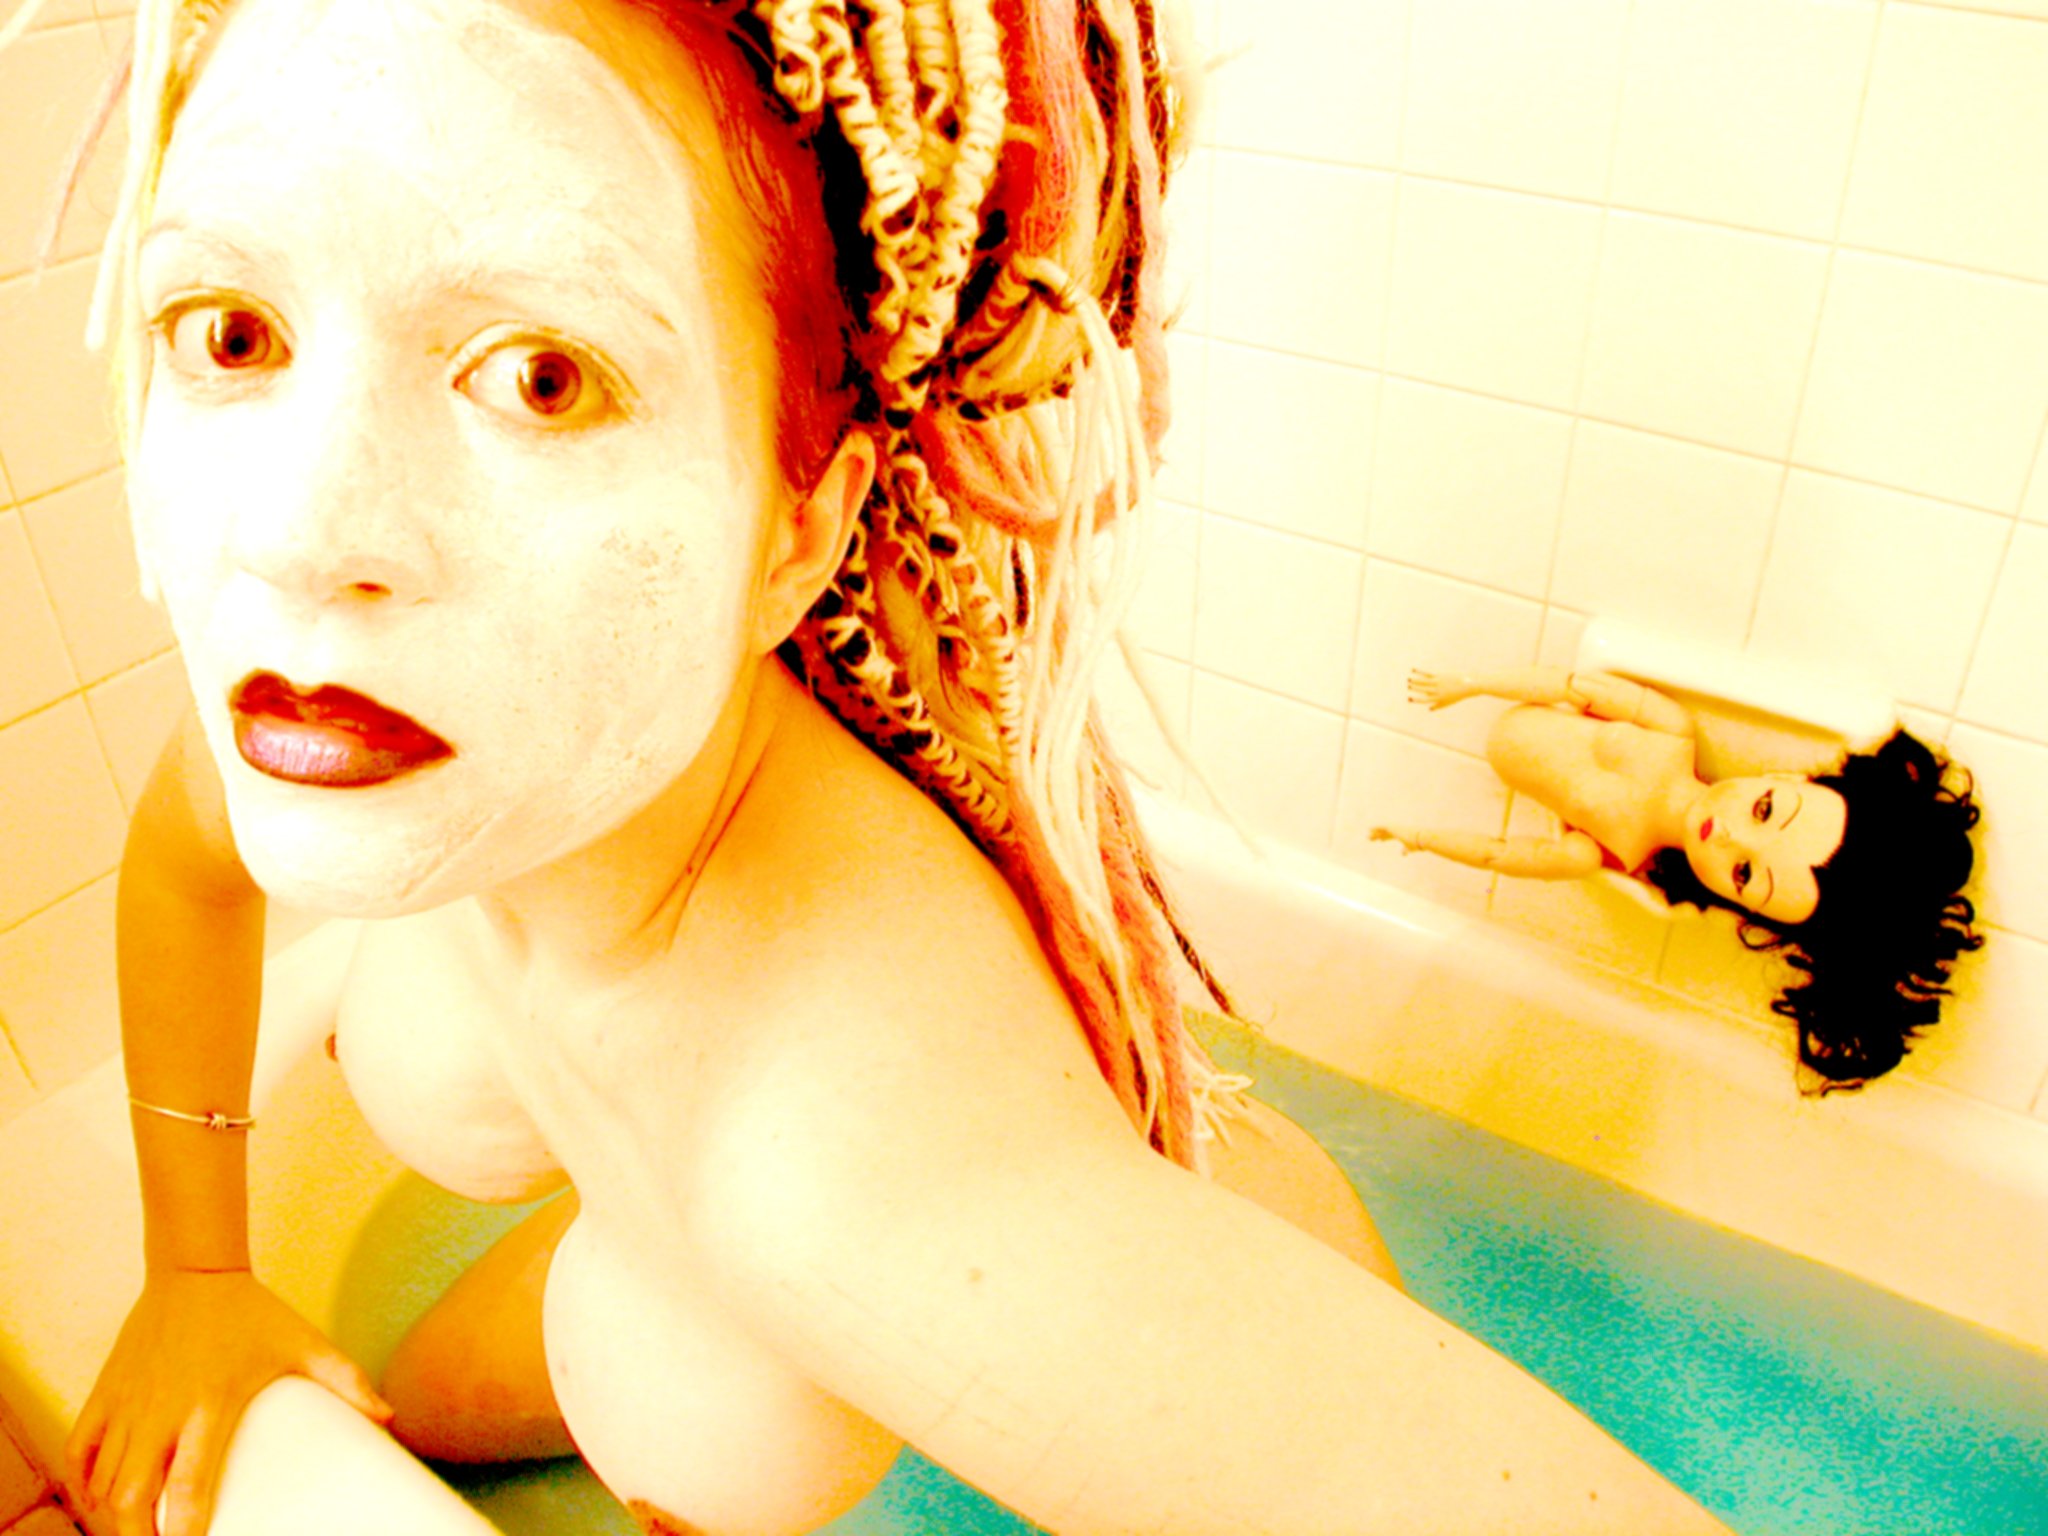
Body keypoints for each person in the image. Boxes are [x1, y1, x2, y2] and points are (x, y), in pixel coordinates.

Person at [48, 0, 1734, 1532]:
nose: (297, 534)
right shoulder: (414, 713)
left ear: (801, 532)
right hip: (658, 1242)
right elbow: (189, 862)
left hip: (1066, 1243)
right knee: (414, 1404)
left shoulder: (849, 1153)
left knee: (695, 1430)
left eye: (542, 378)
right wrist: (197, 1272)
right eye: (232, 330)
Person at [1373, 667, 1982, 1087]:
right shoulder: (1669, 732)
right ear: (1786, 780)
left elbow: (1500, 855)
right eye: (1764, 810)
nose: (1729, 835)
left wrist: (1421, 839)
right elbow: (1570, 685)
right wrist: (1474, 684)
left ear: (1741, 905)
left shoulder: (1607, 852)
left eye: (1744, 872)